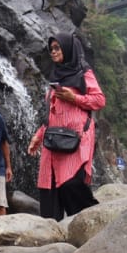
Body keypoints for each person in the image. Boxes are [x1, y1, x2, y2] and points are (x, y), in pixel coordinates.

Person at [26, 32, 105, 220]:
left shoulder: (83, 73)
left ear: (68, 49)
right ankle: (52, 235)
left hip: (75, 140)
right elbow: (51, 113)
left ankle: (86, 224)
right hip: (53, 140)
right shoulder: (56, 75)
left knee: (71, 183)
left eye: (57, 48)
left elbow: (99, 100)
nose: (53, 52)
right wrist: (38, 136)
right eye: (51, 49)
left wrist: (74, 98)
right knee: (50, 185)